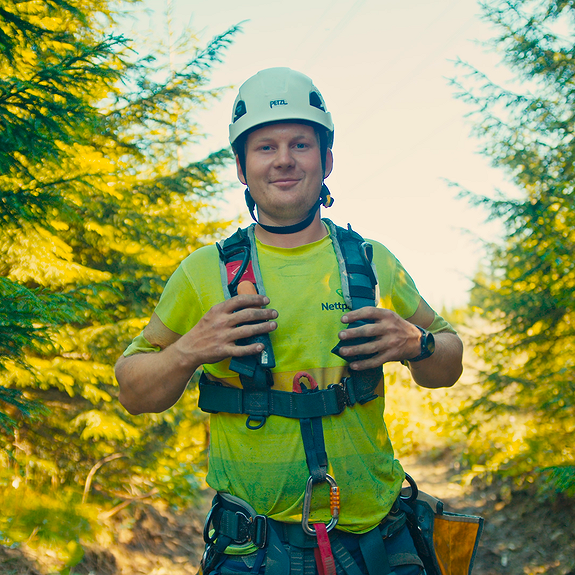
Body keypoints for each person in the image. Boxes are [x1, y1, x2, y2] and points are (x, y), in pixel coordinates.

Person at [116, 67, 463, 575]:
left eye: (300, 144)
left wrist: (418, 343)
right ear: (241, 167)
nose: (283, 160)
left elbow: (449, 362)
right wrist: (192, 347)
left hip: (377, 543)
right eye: (265, 147)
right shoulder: (203, 273)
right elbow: (132, 390)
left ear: (326, 160)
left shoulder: (371, 261)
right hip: (250, 550)